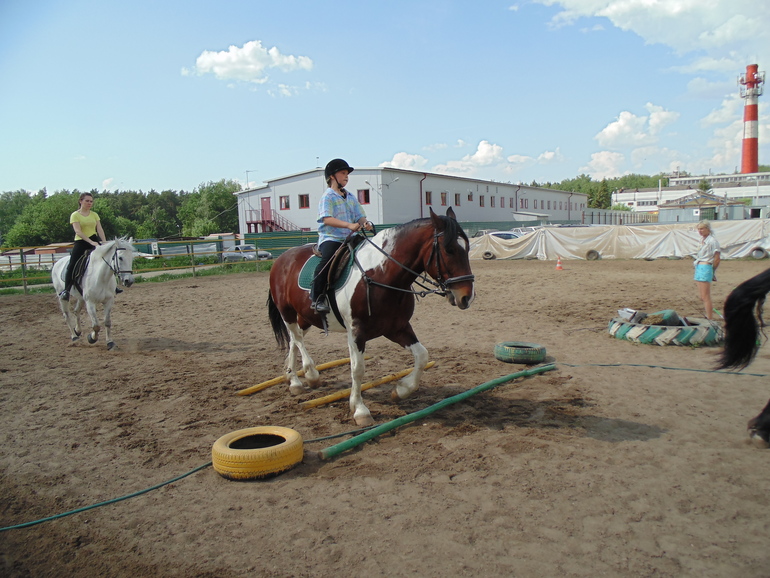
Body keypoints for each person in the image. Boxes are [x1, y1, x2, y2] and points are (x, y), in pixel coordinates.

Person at [310, 158, 373, 314]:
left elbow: (360, 215)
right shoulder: (328, 196)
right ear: (332, 176)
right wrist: (348, 225)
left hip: (351, 237)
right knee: (328, 259)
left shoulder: (351, 197)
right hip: (332, 238)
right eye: (343, 173)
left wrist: (365, 223)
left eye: (347, 174)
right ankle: (316, 298)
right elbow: (326, 219)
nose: (346, 176)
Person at [59, 192, 107, 301]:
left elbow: (99, 229)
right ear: (81, 201)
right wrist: (91, 242)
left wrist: (103, 242)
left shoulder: (94, 214)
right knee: (72, 264)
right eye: (87, 201)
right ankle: (66, 290)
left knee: (107, 260)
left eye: (91, 201)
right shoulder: (75, 215)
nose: (89, 203)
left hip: (94, 240)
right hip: (81, 241)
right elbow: (78, 231)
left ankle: (112, 286)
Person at [693, 219, 720, 321]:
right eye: (699, 229)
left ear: (708, 229)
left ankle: (710, 318)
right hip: (699, 266)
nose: (700, 231)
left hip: (706, 266)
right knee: (702, 296)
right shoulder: (702, 240)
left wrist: (713, 271)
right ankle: (708, 315)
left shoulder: (712, 241)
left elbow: (717, 258)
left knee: (706, 296)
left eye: (702, 229)